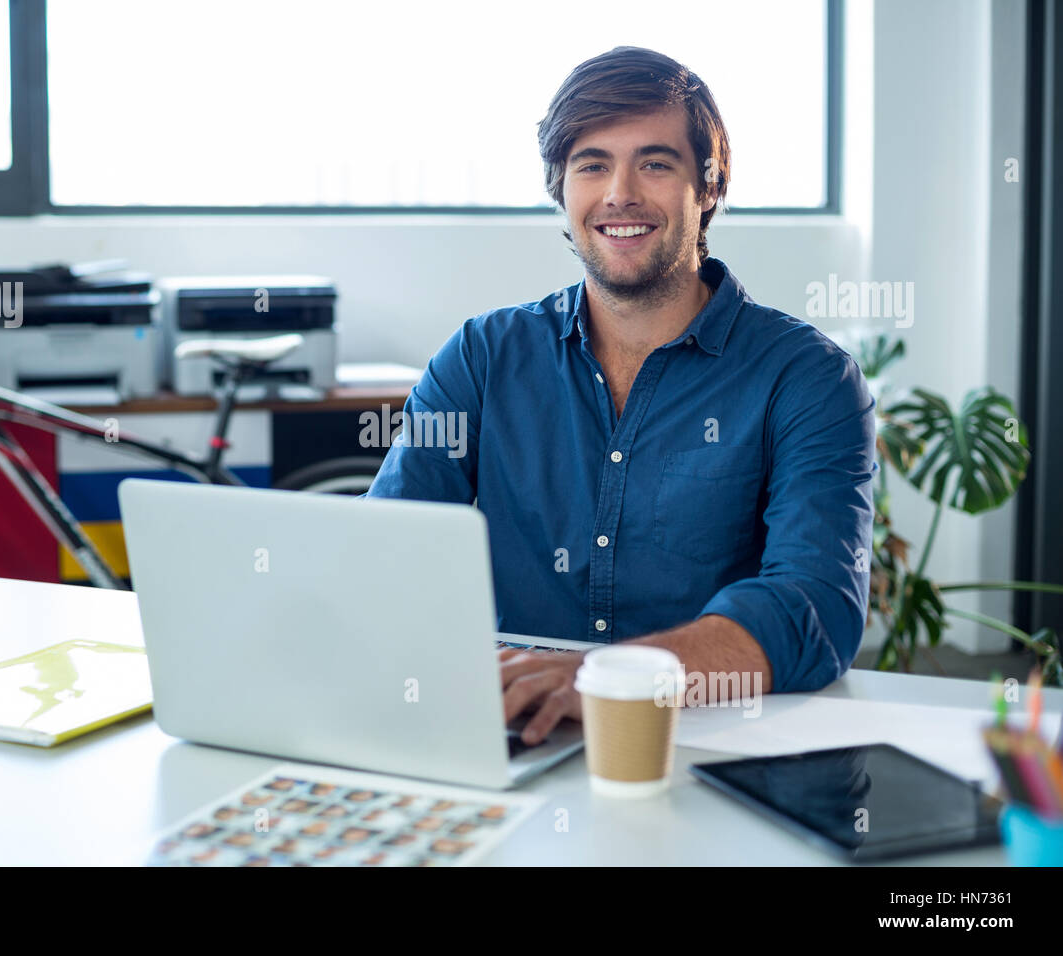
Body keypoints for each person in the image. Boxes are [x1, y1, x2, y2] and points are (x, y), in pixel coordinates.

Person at [363, 46, 877, 746]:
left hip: (704, 739)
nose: (620, 194)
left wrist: (602, 678)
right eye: (592, 164)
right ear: (562, 189)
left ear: (711, 186)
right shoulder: (481, 358)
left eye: (656, 164)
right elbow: (387, 549)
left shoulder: (807, 380)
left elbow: (813, 607)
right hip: (509, 728)